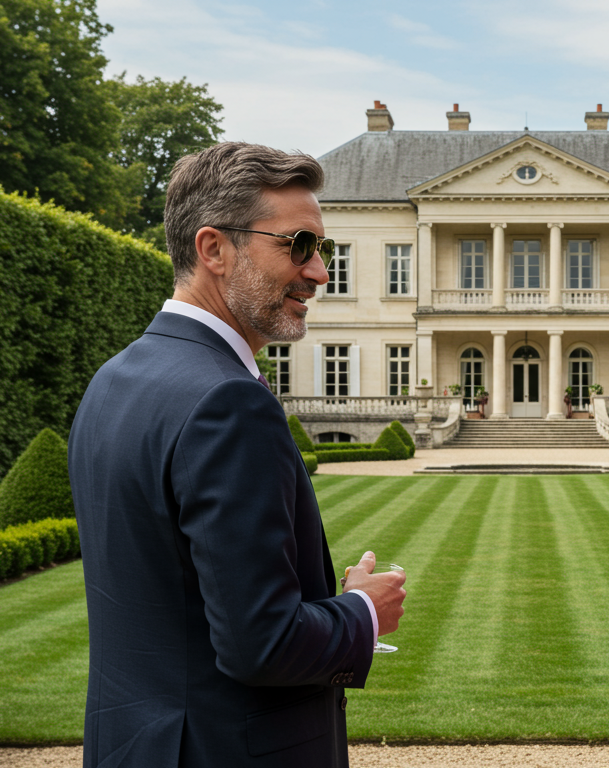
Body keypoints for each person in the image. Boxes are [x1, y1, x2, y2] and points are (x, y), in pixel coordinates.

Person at [68, 142, 406, 767]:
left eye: (322, 250)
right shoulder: (229, 401)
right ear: (214, 249)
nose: (319, 272)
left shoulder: (113, 380)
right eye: (297, 245)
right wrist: (362, 610)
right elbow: (262, 643)